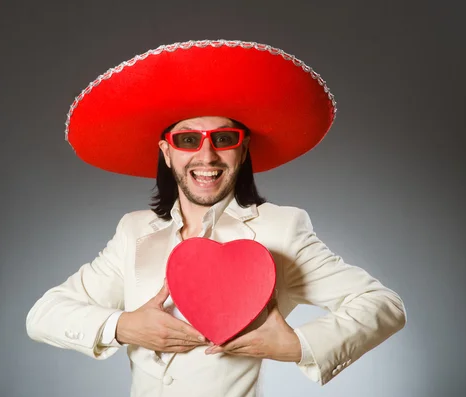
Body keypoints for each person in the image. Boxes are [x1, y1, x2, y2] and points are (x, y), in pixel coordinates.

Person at [26, 40, 407, 397]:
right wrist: (123, 327)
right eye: (188, 140)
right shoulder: (134, 232)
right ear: (166, 153)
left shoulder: (280, 230)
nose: (207, 156)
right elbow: (43, 315)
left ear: (242, 151)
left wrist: (299, 346)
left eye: (223, 139)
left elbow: (382, 304)